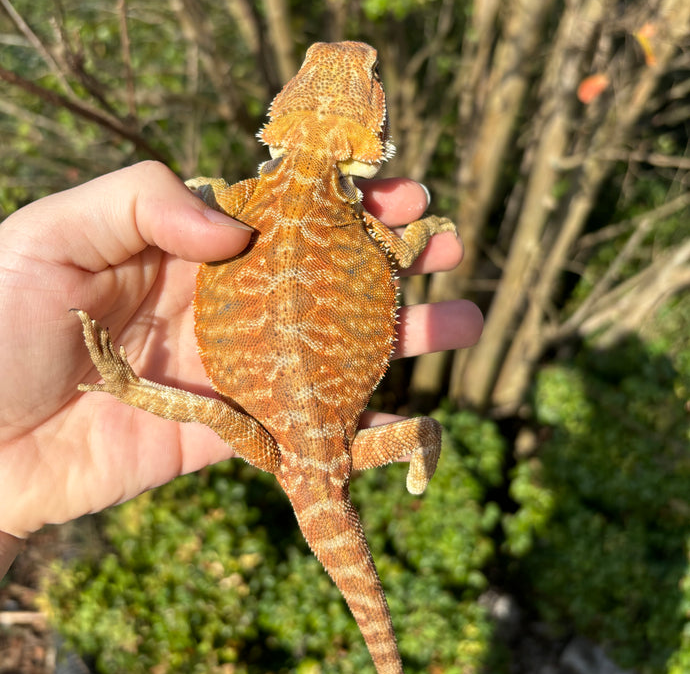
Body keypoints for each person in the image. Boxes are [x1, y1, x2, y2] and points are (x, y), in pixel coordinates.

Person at [0, 162, 483, 578]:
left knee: (418, 431)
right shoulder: (299, 203)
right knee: (421, 431)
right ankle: (421, 446)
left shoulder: (249, 194)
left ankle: (127, 386)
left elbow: (214, 194)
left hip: (285, 444)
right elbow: (400, 252)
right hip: (303, 440)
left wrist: (207, 191)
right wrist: (420, 231)